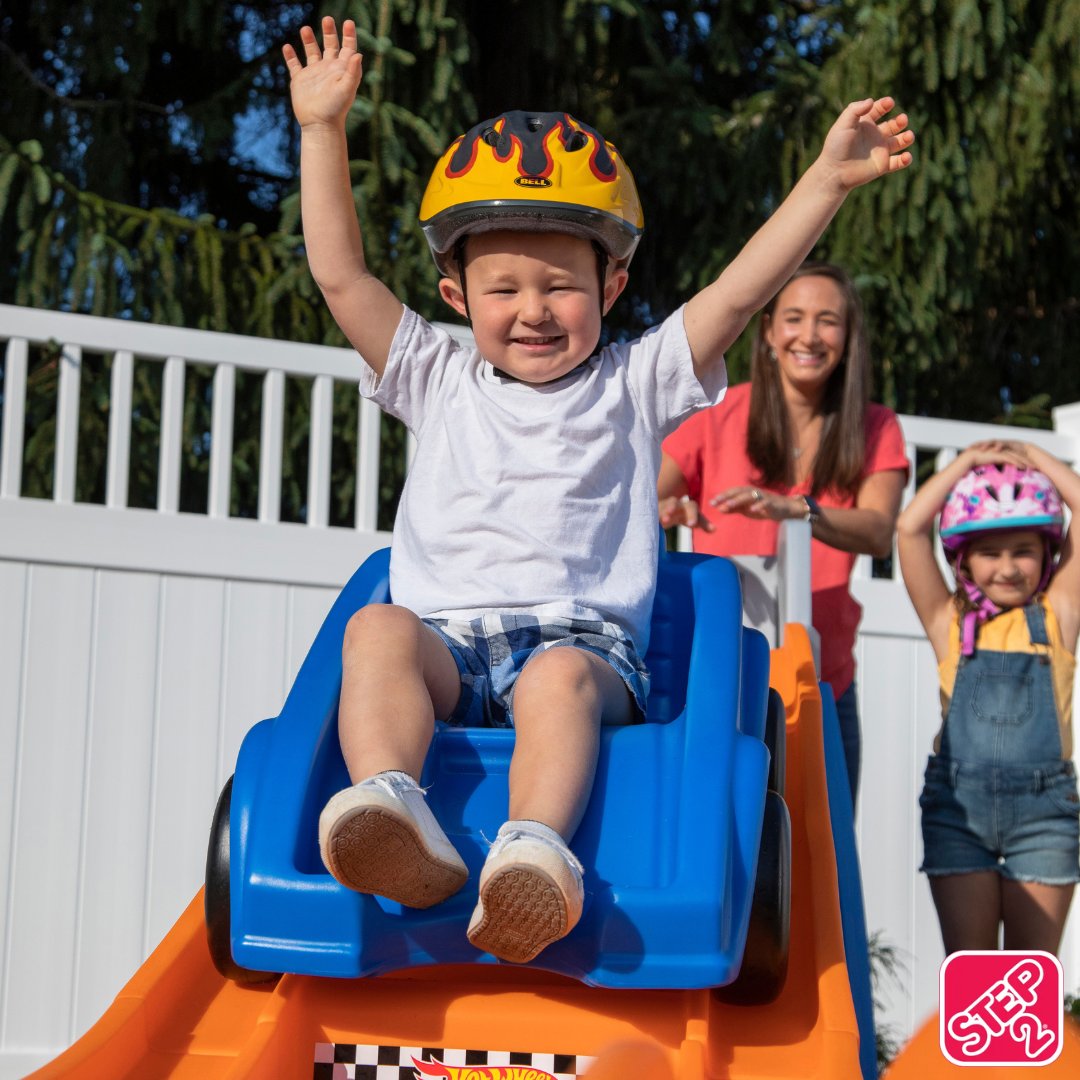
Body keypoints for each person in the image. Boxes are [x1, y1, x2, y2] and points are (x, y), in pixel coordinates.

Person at [283, 14, 915, 964]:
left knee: (556, 677)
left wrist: (826, 179)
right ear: (456, 296)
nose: (533, 310)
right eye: (503, 288)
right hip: (449, 648)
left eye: (560, 285)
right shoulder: (435, 378)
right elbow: (339, 274)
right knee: (375, 631)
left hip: (581, 647)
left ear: (611, 282)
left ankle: (533, 854)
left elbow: (741, 294)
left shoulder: (635, 382)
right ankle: (393, 806)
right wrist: (321, 130)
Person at [658, 262, 908, 808]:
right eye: (794, 318)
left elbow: (878, 530)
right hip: (723, 671)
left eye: (828, 321)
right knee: (726, 845)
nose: (810, 336)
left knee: (824, 860)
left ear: (849, 337)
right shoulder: (717, 413)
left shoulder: (876, 427)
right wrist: (671, 509)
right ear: (769, 331)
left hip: (824, 679)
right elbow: (645, 499)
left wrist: (799, 510)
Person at [896, 441, 1080, 955]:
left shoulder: (1059, 617)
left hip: (1046, 816)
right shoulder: (947, 623)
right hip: (959, 813)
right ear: (964, 561)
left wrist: (1036, 458)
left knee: (1031, 980)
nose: (1007, 567)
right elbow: (909, 529)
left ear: (1048, 553)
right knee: (972, 976)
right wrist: (966, 462)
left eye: (1023, 550)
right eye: (989, 553)